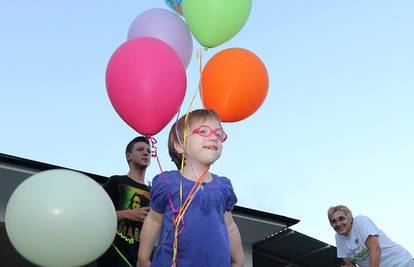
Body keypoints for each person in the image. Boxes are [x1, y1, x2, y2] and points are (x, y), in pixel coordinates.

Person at [137, 109, 244, 267]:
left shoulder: (223, 186)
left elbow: (229, 225)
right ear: (180, 146)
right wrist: (143, 259)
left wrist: (239, 260)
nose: (214, 137)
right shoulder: (167, 182)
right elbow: (153, 221)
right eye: (203, 131)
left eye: (219, 134)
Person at [97, 136, 152, 267]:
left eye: (149, 151)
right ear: (128, 156)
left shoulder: (154, 192)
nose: (146, 153)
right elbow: (96, 215)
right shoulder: (115, 181)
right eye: (140, 149)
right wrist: (127, 214)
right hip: (113, 256)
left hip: (141, 260)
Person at [327, 205, 414, 267]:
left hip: (400, 262)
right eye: (333, 221)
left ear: (350, 218)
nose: (338, 224)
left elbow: (375, 250)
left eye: (341, 218)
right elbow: (348, 263)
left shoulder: (360, 221)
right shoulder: (338, 237)